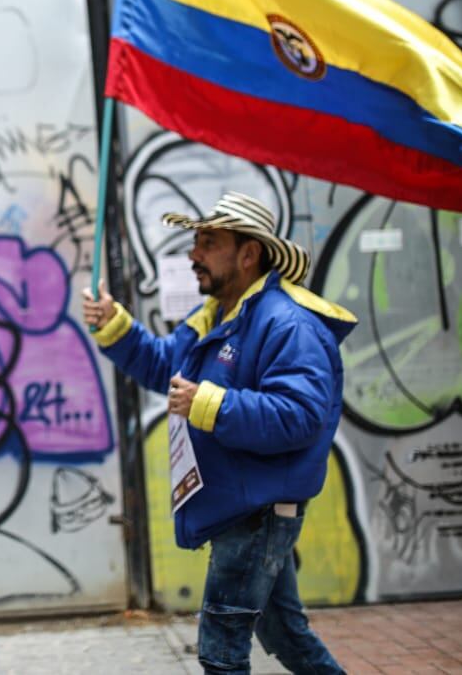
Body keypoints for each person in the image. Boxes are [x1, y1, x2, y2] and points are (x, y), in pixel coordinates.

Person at [83, 191, 355, 675]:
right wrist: (115, 327)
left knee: (221, 646)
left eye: (208, 242)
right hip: (243, 506)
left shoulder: (287, 323)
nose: (193, 255)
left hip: (257, 511)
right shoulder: (220, 316)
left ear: (248, 254)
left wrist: (208, 403)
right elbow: (164, 365)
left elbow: (300, 416)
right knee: (286, 635)